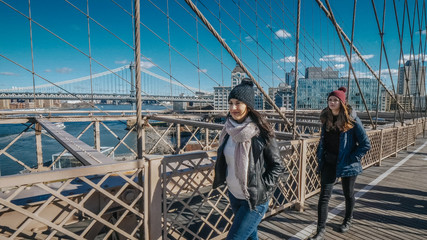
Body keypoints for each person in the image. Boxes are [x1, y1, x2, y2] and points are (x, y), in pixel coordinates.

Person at [212, 78, 285, 240]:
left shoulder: (262, 132)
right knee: (251, 236)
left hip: (254, 198)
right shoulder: (228, 129)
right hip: (234, 194)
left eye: (238, 103)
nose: (233, 108)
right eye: (230, 103)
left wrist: (263, 188)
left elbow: (277, 166)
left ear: (248, 105)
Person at [309, 87, 371, 240]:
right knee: (324, 197)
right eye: (330, 100)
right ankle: (320, 231)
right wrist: (320, 156)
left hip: (347, 163)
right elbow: (323, 141)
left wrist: (351, 159)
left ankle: (347, 221)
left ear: (342, 103)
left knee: (348, 194)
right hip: (329, 162)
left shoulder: (352, 120)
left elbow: (365, 144)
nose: (332, 102)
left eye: (335, 100)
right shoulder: (326, 119)